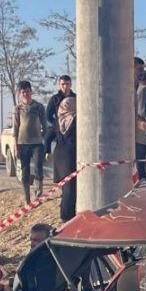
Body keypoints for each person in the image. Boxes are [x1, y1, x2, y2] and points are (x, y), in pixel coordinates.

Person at [13, 80, 49, 204]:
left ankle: (38, 194)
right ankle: (27, 198)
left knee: (39, 168)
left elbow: (45, 125)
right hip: (23, 143)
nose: (25, 94)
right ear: (19, 93)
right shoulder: (18, 109)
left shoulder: (39, 107)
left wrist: (44, 138)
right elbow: (16, 128)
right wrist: (15, 146)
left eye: (27, 91)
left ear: (31, 92)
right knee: (25, 170)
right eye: (23, 92)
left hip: (37, 144)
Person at [52, 94, 79, 222]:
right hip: (69, 156)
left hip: (58, 156)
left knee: (65, 188)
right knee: (70, 189)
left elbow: (47, 137)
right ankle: (67, 217)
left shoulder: (58, 120)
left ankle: (65, 215)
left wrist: (46, 150)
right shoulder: (77, 119)